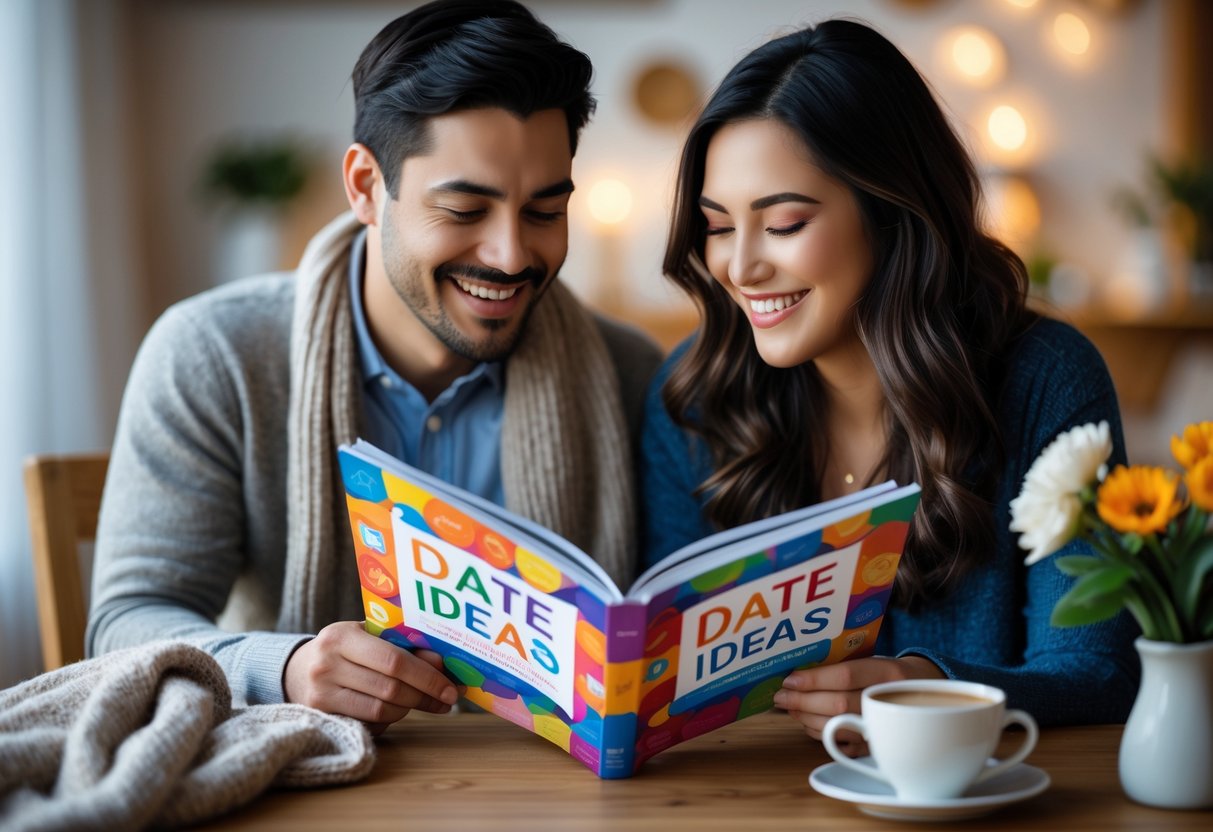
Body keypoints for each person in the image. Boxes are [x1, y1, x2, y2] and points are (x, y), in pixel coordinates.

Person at [87, 0, 661, 732]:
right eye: (464, 210)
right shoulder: (214, 354)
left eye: (544, 212)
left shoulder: (630, 371)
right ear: (364, 186)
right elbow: (124, 624)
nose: (512, 255)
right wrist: (285, 667)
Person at [640, 18, 1139, 750]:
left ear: (892, 213)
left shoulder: (1046, 380)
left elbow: (1096, 671)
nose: (739, 268)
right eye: (717, 226)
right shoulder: (694, 394)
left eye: (781, 224)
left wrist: (921, 688)